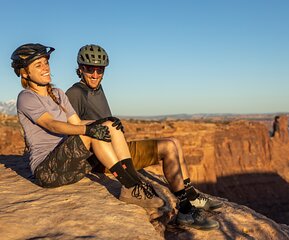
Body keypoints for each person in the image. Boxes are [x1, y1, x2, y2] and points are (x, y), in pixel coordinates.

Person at [11, 43, 219, 231]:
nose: (45, 67)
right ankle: (132, 186)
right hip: (48, 168)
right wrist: (90, 130)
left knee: (108, 125)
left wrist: (105, 123)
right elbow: (52, 124)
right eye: (38, 65)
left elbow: (77, 123)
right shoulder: (26, 97)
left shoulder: (56, 93)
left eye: (46, 62)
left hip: (71, 160)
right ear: (24, 72)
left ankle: (140, 187)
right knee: (95, 131)